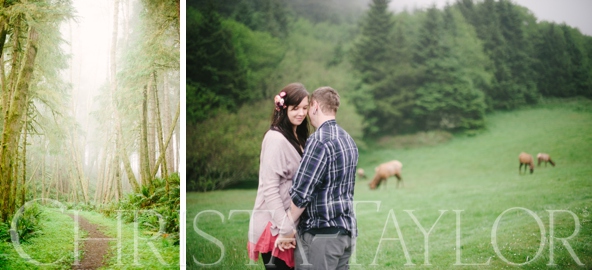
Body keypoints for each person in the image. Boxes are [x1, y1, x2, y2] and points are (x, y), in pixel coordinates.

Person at [280, 86, 359, 269]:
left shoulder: (319, 140)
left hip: (321, 236)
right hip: (345, 233)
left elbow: (302, 193)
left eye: (308, 108)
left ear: (315, 105)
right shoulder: (348, 139)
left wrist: (286, 228)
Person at [247, 83, 310, 270]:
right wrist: (285, 228)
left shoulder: (298, 136)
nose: (301, 113)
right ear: (283, 109)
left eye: (305, 108)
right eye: (295, 108)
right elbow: (270, 188)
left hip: (289, 224)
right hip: (275, 225)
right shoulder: (275, 139)